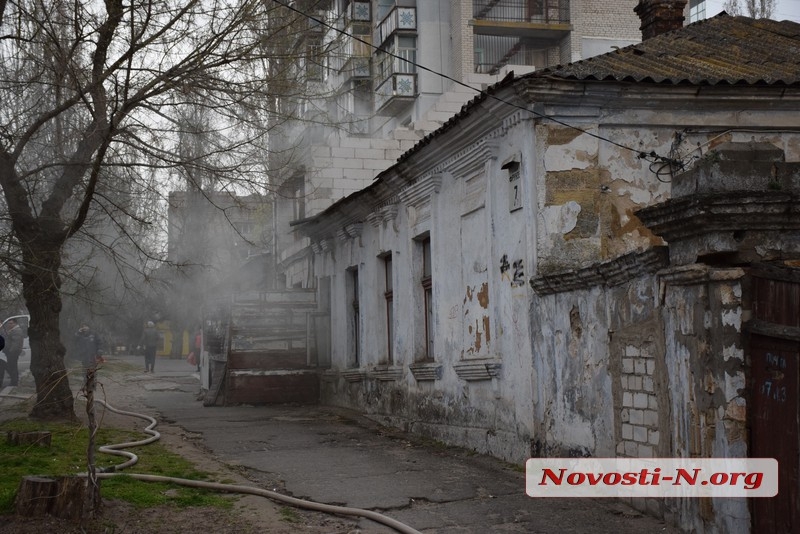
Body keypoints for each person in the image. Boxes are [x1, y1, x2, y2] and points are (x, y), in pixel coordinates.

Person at [3, 319, 24, 387]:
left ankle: (14, 382)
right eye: (9, 323)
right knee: (11, 367)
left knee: (13, 367)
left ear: (15, 323)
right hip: (10, 352)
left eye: (11, 323)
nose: (9, 325)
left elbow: (16, 344)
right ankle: (14, 381)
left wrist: (10, 352)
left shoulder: (17, 331)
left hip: (13, 353)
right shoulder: (13, 330)